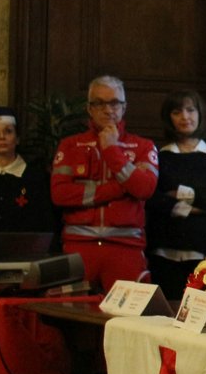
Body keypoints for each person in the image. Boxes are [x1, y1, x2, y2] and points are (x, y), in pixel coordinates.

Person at [50, 76, 159, 290]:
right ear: (89, 109)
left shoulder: (143, 146)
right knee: (73, 318)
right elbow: (60, 194)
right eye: (99, 103)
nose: (108, 110)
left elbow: (144, 189)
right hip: (78, 249)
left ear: (124, 107)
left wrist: (111, 150)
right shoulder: (70, 145)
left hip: (126, 249)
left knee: (128, 321)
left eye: (114, 103)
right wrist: (119, 189)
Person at [146, 90, 206, 303]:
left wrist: (178, 194)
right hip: (164, 252)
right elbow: (154, 198)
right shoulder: (159, 156)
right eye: (177, 112)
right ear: (169, 117)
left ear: (200, 113)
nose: (185, 117)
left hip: (204, 252)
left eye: (190, 110)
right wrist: (195, 203)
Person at [0, 105, 53, 234]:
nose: (2, 137)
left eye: (8, 131)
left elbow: (46, 224)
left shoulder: (37, 179)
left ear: (18, 138)